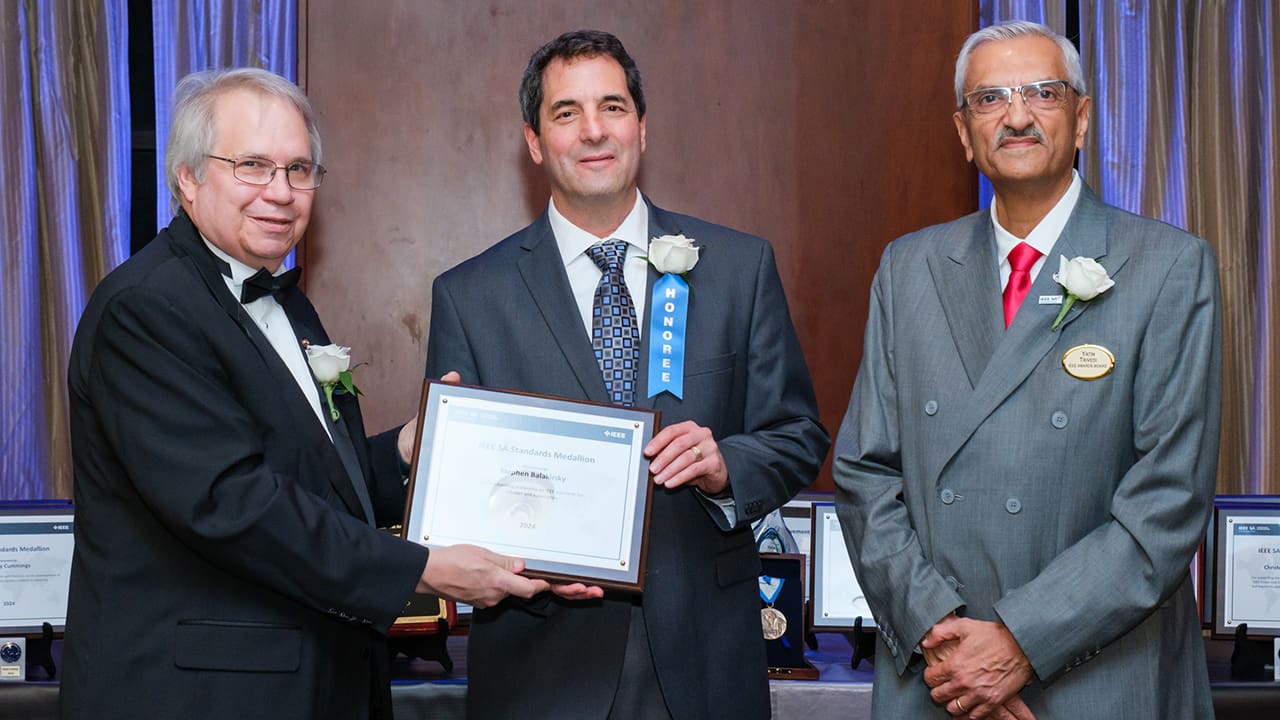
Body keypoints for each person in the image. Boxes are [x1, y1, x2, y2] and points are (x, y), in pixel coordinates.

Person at [63, 67, 567, 720]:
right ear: (188, 179)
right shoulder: (147, 309)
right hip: (202, 695)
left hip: (310, 682)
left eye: (299, 170)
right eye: (253, 166)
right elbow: (234, 505)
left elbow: (313, 482)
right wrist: (419, 567)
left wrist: (408, 455)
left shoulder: (290, 308)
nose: (281, 192)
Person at [424, 30, 829, 720]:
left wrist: (726, 463)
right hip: (541, 672)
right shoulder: (470, 295)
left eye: (611, 106)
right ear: (533, 141)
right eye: (565, 113)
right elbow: (457, 493)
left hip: (706, 664)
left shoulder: (736, 268)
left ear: (642, 126)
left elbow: (798, 434)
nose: (592, 131)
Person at [833, 20, 1222, 720]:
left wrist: (1021, 640)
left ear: (1080, 118)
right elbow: (865, 472)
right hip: (940, 678)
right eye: (989, 99)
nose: (1016, 115)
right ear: (962, 131)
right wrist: (944, 637)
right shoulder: (909, 269)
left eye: (1041, 92)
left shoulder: (1169, 267)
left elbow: (1168, 500)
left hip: (1097, 675)